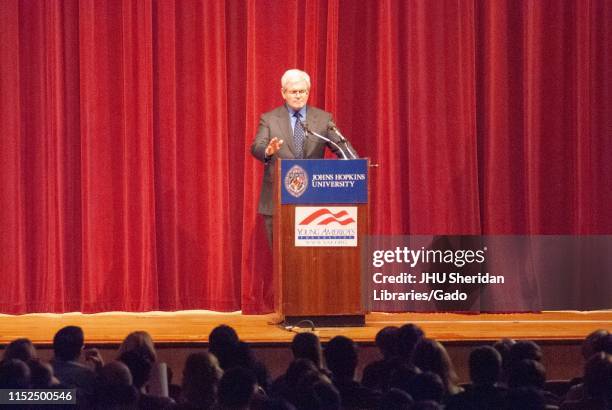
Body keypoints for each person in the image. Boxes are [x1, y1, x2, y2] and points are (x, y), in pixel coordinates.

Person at [250, 69, 358, 244]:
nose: (298, 96)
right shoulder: (269, 119)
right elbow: (257, 146)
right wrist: (268, 150)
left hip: (313, 202)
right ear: (283, 93)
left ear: (308, 92)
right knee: (282, 261)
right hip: (277, 201)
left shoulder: (323, 119)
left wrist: (357, 166)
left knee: (311, 263)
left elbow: (343, 148)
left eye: (302, 91)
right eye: (294, 92)